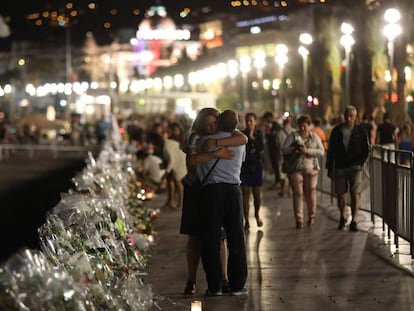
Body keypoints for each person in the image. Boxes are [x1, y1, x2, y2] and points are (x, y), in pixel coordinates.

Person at [180, 107, 248, 295]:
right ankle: (238, 285)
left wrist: (214, 146)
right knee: (236, 238)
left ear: (218, 121)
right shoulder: (238, 141)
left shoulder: (203, 141)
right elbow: (242, 150)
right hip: (233, 190)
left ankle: (215, 285)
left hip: (211, 191)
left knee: (210, 239)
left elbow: (192, 161)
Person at [326, 105, 370, 232]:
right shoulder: (336, 131)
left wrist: (361, 163)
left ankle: (354, 220)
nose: (348, 118)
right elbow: (331, 150)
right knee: (340, 194)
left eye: (351, 116)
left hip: (355, 167)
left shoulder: (360, 131)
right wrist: (329, 167)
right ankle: (342, 216)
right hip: (340, 166)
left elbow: (366, 150)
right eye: (346, 116)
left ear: (355, 117)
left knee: (355, 192)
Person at [282, 115, 324, 229]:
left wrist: (307, 151)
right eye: (300, 126)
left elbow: (321, 151)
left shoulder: (314, 137)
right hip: (295, 169)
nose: (302, 129)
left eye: (304, 126)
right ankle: (299, 219)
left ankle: (312, 216)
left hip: (311, 169)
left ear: (308, 126)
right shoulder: (293, 136)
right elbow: (284, 149)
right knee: (298, 193)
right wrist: (293, 149)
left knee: (310, 193)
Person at [240, 112, 265, 230]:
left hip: (256, 166)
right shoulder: (241, 134)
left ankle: (257, 214)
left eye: (251, 120)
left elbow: (261, 147)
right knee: (245, 193)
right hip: (245, 166)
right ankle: (246, 220)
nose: (249, 123)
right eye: (247, 121)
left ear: (255, 121)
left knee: (257, 195)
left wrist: (252, 137)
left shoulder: (259, 134)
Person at [261, 111, 283, 190]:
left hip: (276, 148)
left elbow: (274, 136)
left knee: (277, 165)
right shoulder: (268, 126)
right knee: (275, 165)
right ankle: (278, 181)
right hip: (271, 147)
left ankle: (279, 182)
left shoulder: (276, 126)